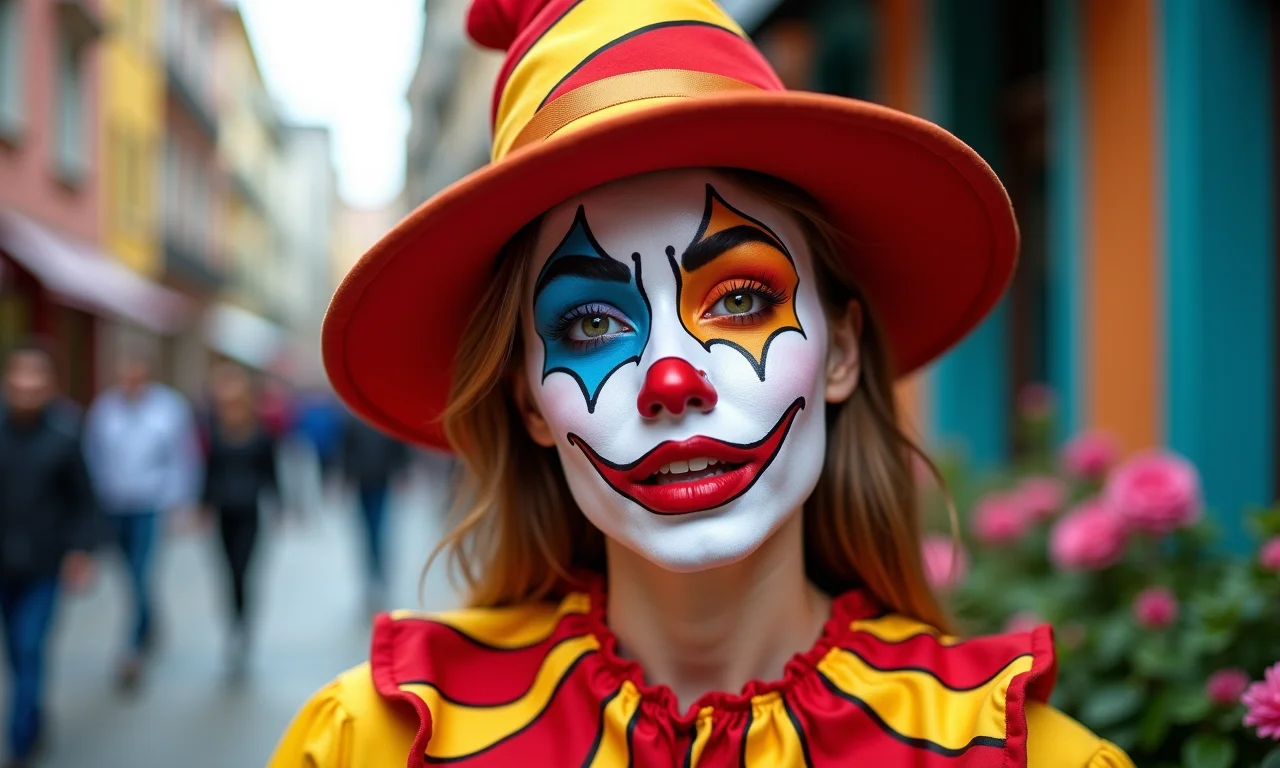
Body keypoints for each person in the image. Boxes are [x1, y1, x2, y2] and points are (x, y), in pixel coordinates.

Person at [269, 1, 1134, 765]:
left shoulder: (1020, 757)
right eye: (592, 324)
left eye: (744, 297)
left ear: (839, 352)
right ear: (529, 399)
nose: (670, 380)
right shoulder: (368, 745)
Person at [0, 338, 98, 767]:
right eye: (18, 374)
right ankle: (33, 713)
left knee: (29, 645)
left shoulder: (65, 434)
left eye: (35, 375)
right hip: (3, 563)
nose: (26, 383)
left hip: (44, 562)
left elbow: (84, 500)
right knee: (14, 651)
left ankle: (20, 739)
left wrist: (80, 550)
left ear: (50, 384)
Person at [83, 347, 201, 692]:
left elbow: (184, 456)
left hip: (151, 503)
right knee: (128, 573)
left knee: (140, 570)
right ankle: (149, 621)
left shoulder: (169, 409)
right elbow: (94, 456)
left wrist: (183, 501)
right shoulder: (104, 410)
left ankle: (131, 649)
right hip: (114, 503)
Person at [200, 361, 279, 679]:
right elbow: (208, 473)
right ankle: (233, 624)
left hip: (249, 511)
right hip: (223, 511)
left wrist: (281, 504)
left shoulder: (260, 434)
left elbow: (270, 472)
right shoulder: (215, 431)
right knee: (227, 573)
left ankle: (243, 626)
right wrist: (202, 505)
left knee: (244, 571)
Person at [338, 413, 410, 615]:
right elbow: (346, 451)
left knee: (378, 530)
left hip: (381, 482)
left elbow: (399, 447)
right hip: (362, 483)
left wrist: (402, 471)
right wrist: (346, 477)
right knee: (367, 531)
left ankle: (379, 574)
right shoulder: (353, 421)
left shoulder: (385, 421)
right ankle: (373, 575)